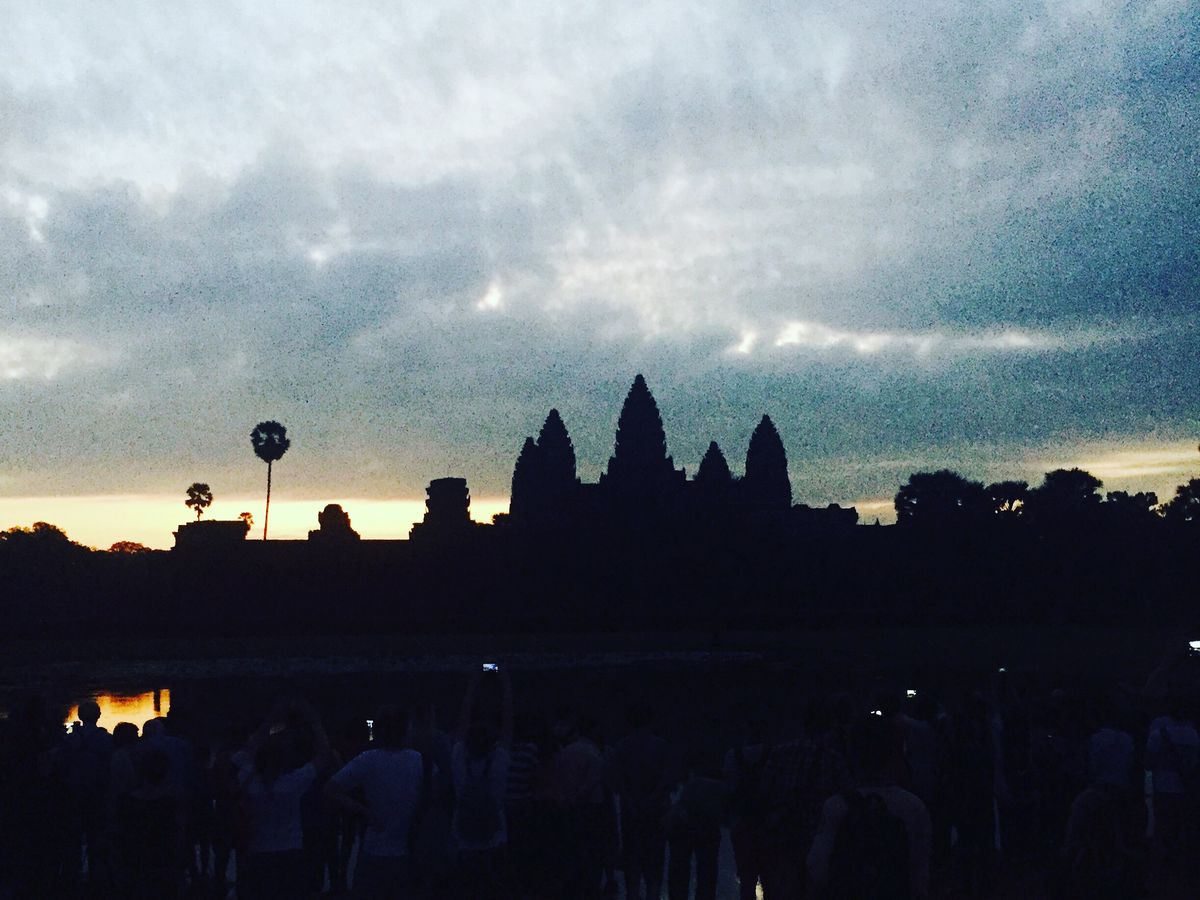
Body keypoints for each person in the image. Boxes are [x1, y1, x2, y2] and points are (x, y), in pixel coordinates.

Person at [807, 714, 932, 900]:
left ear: (852, 754)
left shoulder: (836, 806)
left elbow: (818, 870)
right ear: (893, 754)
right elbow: (918, 877)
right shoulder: (914, 807)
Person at [233, 698, 335, 900]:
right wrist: (314, 721)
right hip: (290, 852)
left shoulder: (249, 780)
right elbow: (324, 754)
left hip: (257, 852)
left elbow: (248, 750)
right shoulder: (292, 783)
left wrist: (270, 720)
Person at [325, 706, 425, 898]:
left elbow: (330, 789)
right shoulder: (418, 760)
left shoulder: (368, 759)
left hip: (373, 848)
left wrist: (363, 811)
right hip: (407, 849)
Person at [448, 668, 513, 899]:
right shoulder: (500, 759)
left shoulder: (458, 757)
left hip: (462, 839)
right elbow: (507, 724)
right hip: (495, 838)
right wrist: (505, 683)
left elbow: (462, 722)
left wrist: (472, 683)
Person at [611, 703, 673, 900]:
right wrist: (652, 799)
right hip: (656, 811)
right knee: (654, 862)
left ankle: (633, 895)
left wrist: (630, 801)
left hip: (631, 812)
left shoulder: (621, 746)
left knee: (632, 862)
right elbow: (666, 780)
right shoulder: (661, 746)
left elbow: (618, 781)